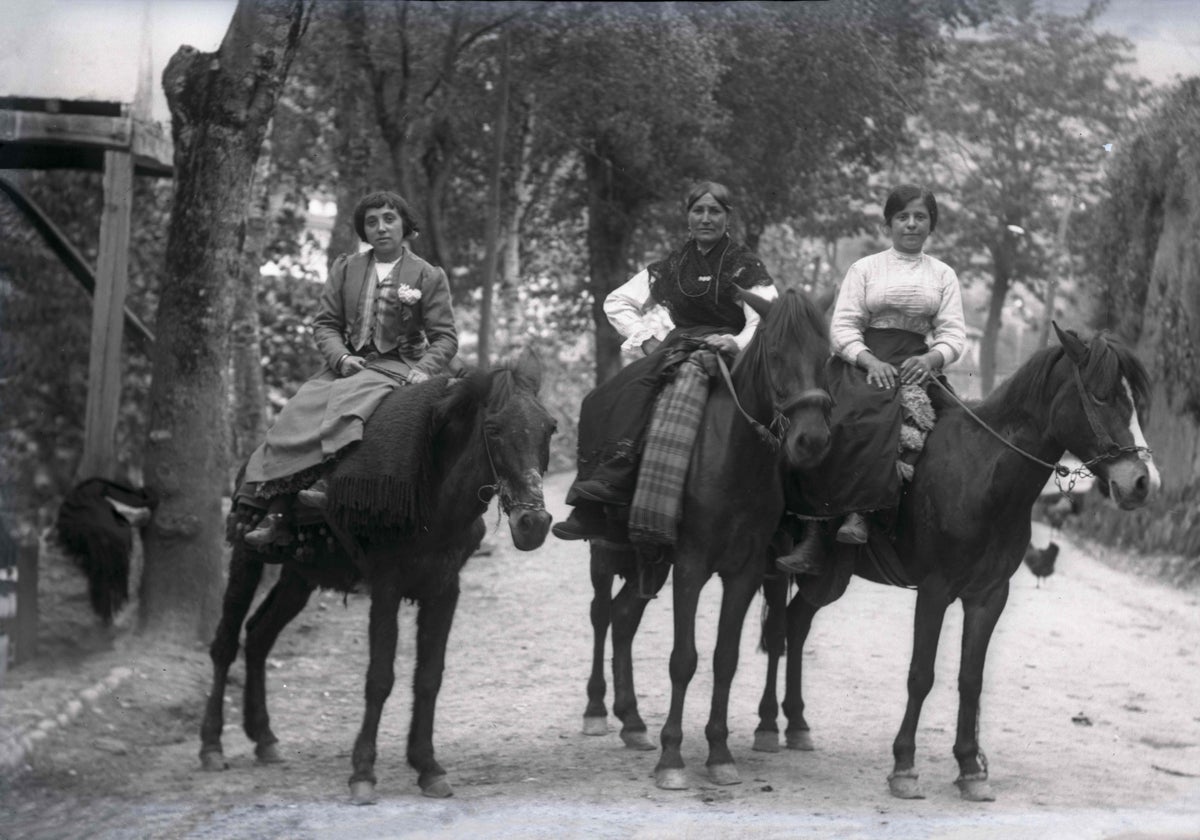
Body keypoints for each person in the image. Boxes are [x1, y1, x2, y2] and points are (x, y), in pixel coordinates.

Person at [552, 181, 777, 542]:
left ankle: (785, 513)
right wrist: (647, 341)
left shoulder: (744, 265)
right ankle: (598, 496)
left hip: (731, 350)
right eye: (698, 211)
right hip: (676, 346)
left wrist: (734, 342)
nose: (706, 218)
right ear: (688, 216)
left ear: (727, 217)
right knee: (606, 396)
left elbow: (764, 316)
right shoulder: (674, 265)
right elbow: (617, 301)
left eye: (714, 211)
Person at [242, 190, 459, 547]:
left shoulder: (428, 275)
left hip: (400, 367)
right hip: (348, 364)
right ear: (363, 230)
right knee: (296, 411)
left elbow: (445, 338)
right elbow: (325, 323)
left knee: (354, 404)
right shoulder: (346, 268)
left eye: (389, 219)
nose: (380, 228)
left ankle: (334, 486)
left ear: (405, 226)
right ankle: (276, 514)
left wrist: (424, 368)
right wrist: (341, 357)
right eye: (371, 222)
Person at [777, 183, 966, 574]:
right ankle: (818, 529)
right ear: (889, 224)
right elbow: (843, 324)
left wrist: (933, 357)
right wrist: (868, 360)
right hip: (862, 360)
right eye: (902, 217)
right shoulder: (865, 269)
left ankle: (912, 528)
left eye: (920, 217)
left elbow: (953, 334)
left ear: (931, 225)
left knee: (955, 433)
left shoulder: (943, 275)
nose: (911, 225)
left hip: (917, 363)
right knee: (842, 417)